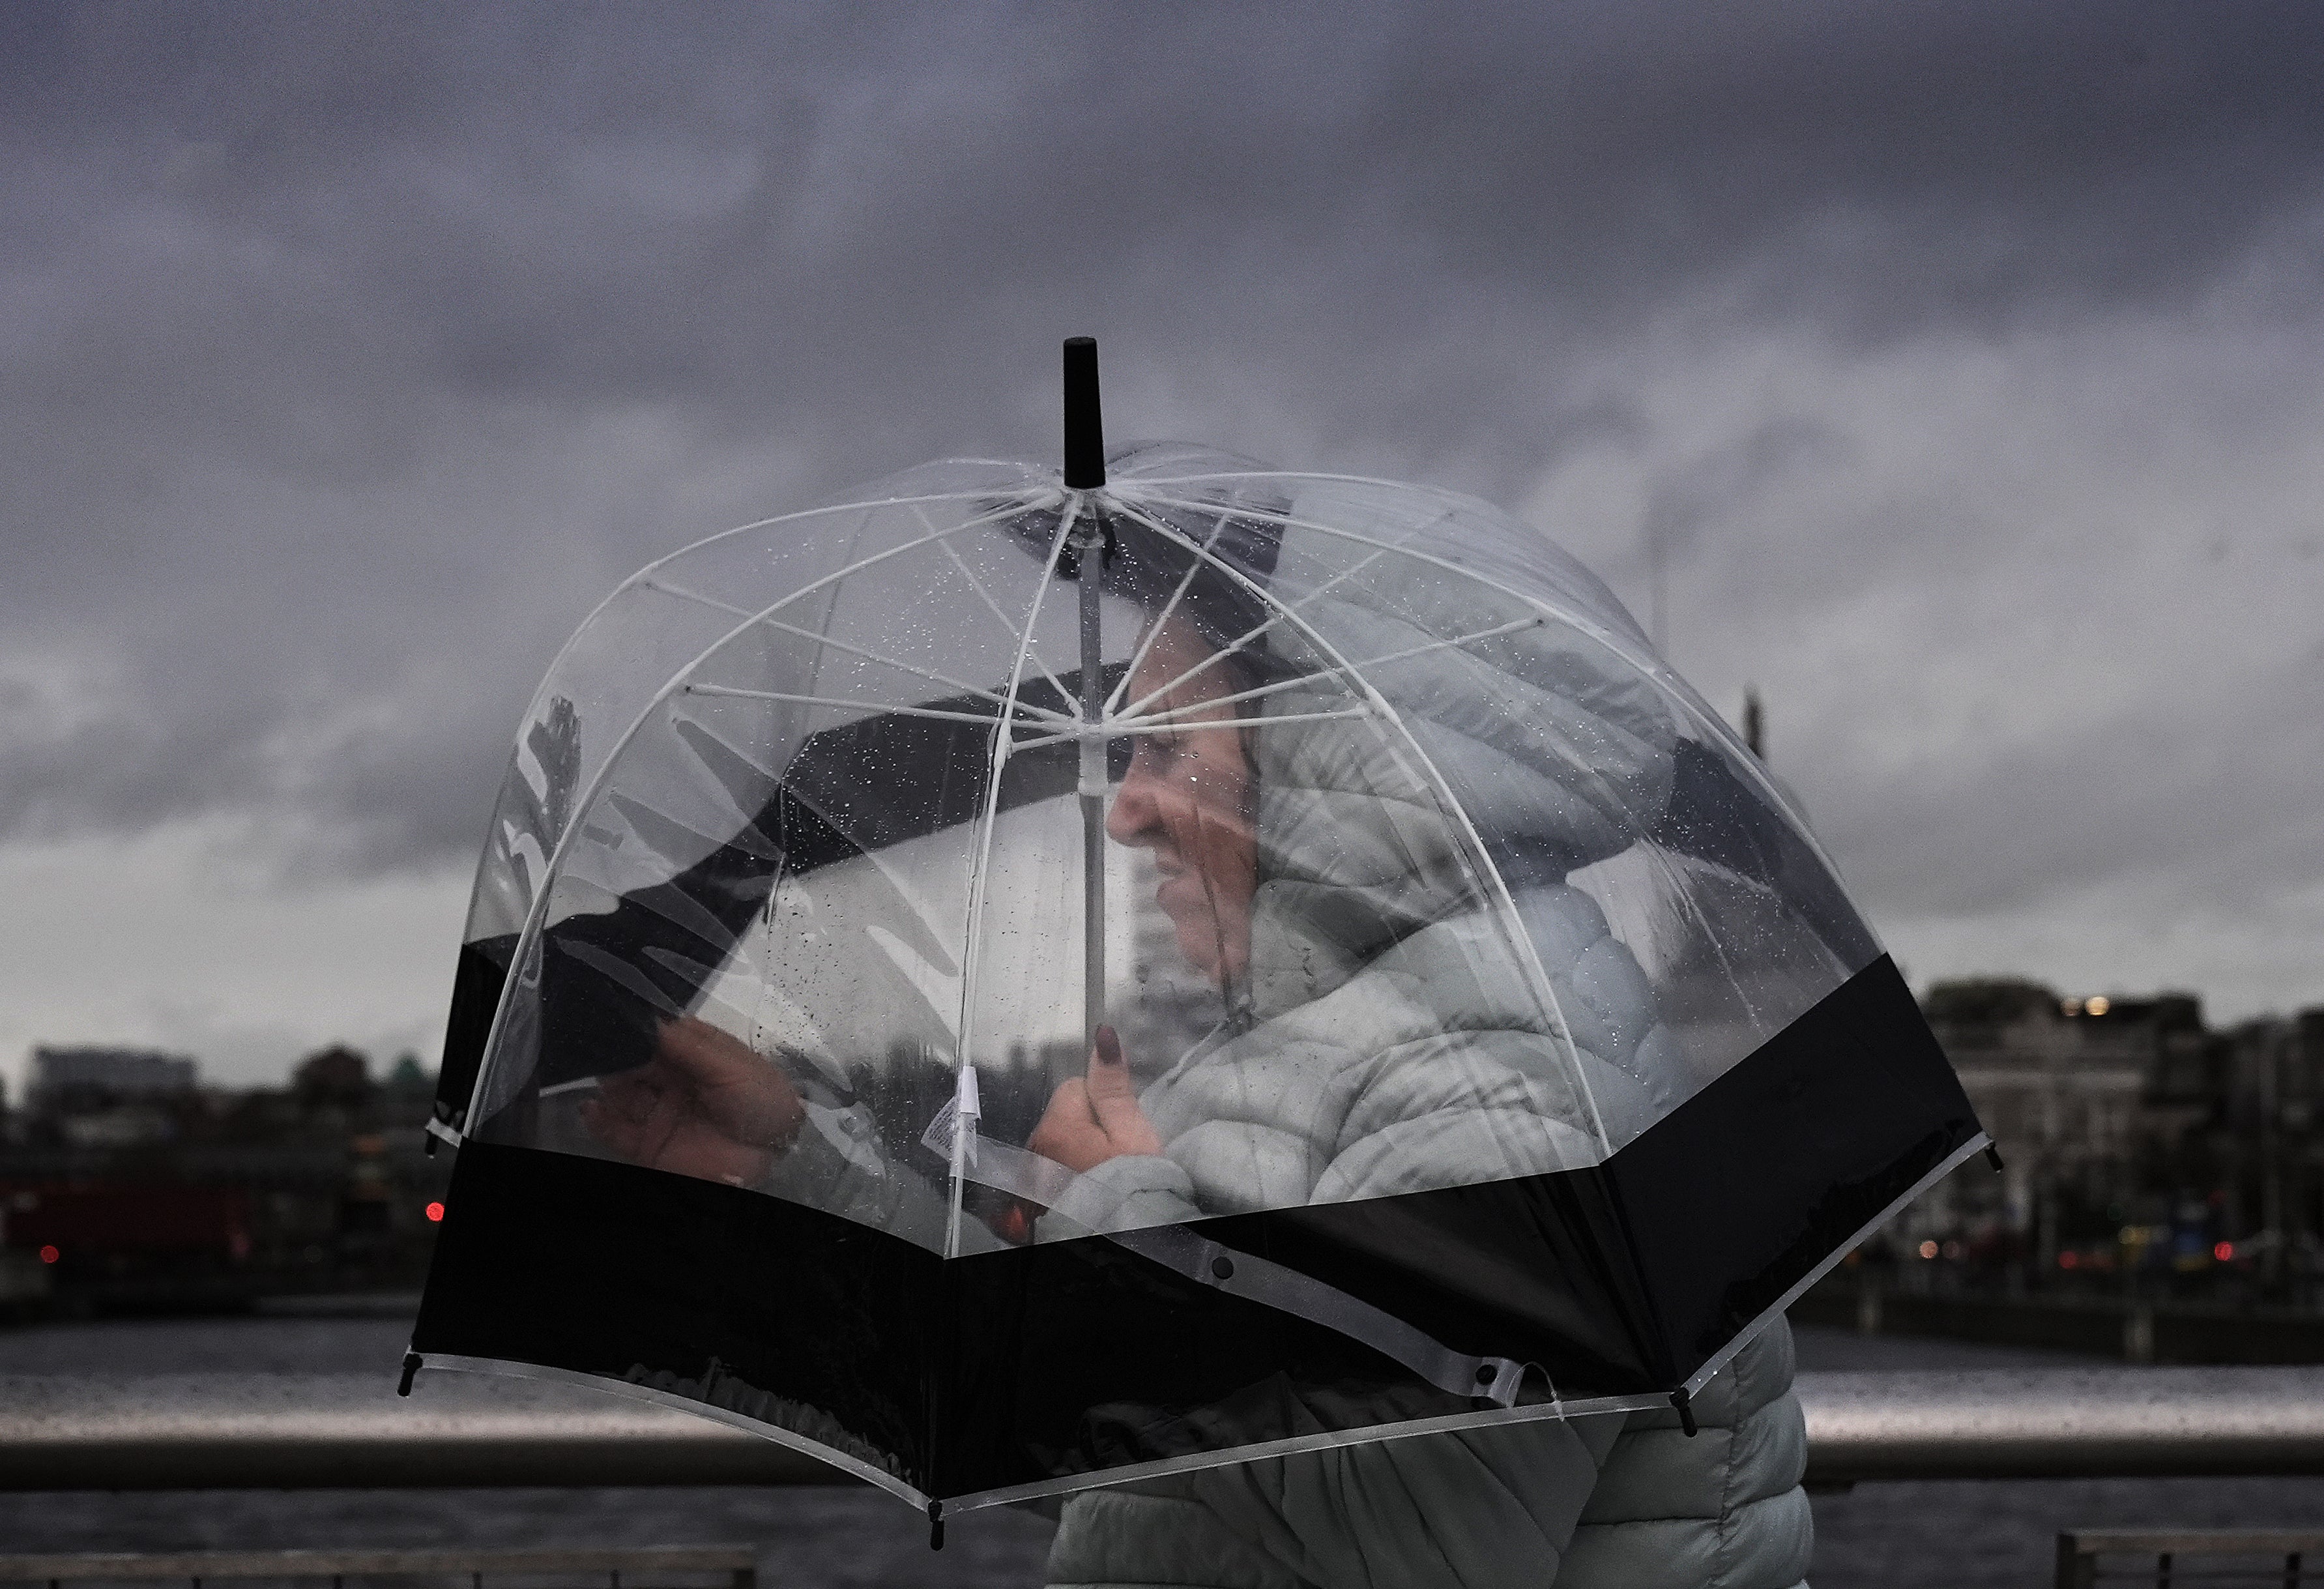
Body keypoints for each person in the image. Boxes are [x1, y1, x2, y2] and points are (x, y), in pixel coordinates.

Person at [583, 518, 1812, 1589]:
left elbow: (1400, 1546)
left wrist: (1116, 1232)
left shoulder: (1495, 1066)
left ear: (1325, 767)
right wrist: (798, 1168)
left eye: (1165, 746)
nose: (1123, 805)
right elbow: (1140, 1464)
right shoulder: (1324, 1045)